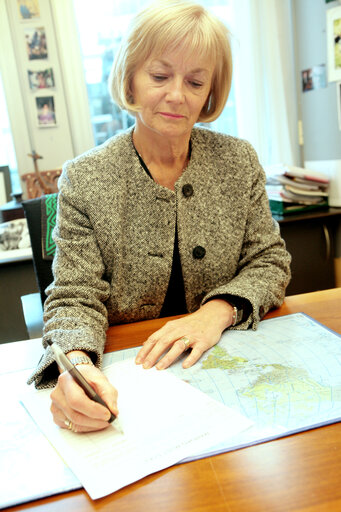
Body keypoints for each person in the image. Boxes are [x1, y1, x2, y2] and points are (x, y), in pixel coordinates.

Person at [28, 0, 291, 433]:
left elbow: (270, 261)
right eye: (159, 75)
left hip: (225, 374)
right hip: (134, 383)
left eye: (195, 81)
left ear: (211, 92)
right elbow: (74, 297)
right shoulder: (85, 177)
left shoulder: (238, 161)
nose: (176, 95)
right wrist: (76, 367)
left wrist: (217, 312)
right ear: (130, 79)